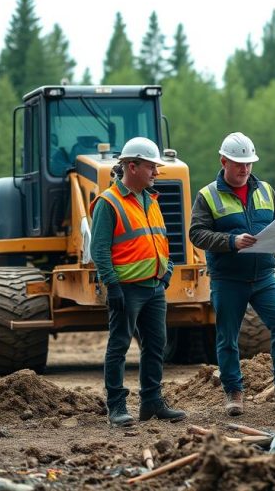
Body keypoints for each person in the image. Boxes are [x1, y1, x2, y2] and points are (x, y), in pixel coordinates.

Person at [189, 132, 275, 417]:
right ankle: (234, 392)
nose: (245, 169)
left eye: (248, 163)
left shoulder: (266, 191)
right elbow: (197, 234)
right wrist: (230, 242)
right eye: (238, 163)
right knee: (227, 337)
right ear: (224, 160)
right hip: (228, 278)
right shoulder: (207, 196)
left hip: (263, 275)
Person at [89, 136, 186, 427]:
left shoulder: (150, 199)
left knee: (156, 345)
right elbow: (99, 249)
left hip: (154, 287)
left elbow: (161, 239)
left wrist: (166, 271)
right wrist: (112, 285)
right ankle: (116, 406)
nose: (156, 173)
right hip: (127, 289)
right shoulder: (109, 202)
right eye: (151, 167)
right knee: (119, 346)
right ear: (132, 166)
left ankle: (152, 403)